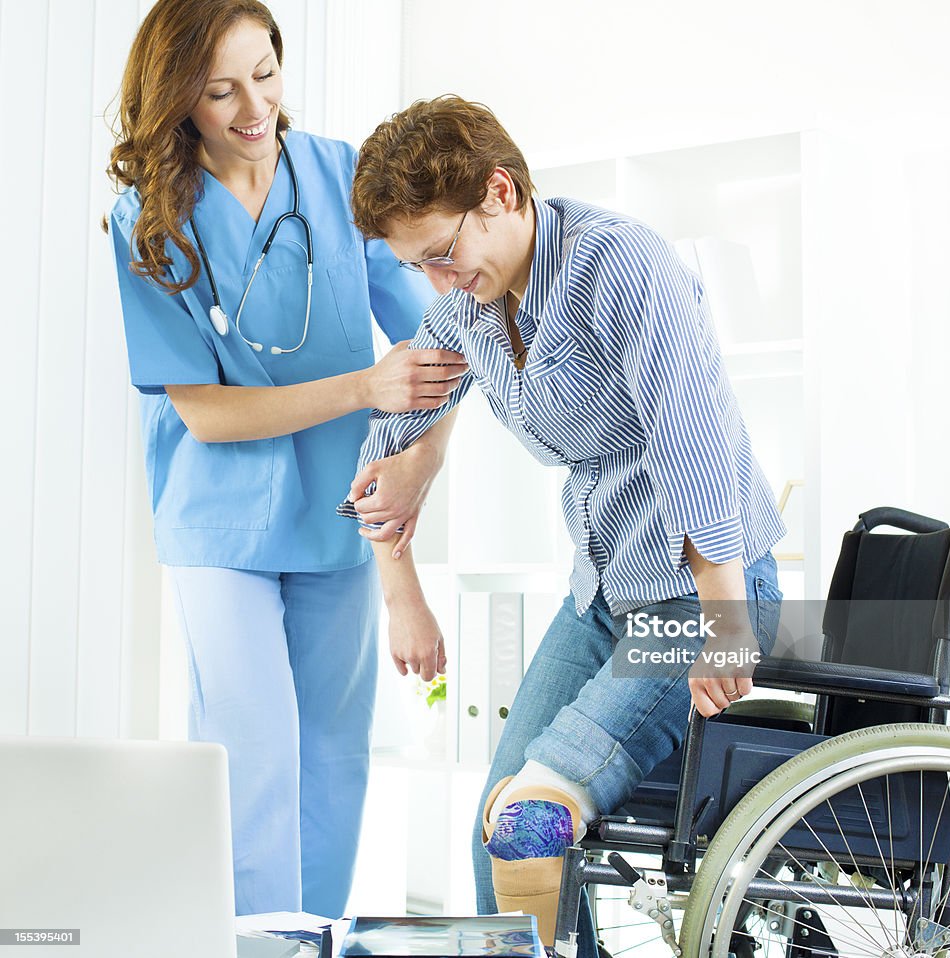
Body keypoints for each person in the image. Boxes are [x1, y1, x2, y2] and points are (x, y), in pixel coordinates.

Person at [339, 95, 785, 951]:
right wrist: (404, 598)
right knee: (491, 840)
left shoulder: (621, 268)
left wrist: (725, 618)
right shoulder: (465, 310)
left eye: (442, 253)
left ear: (499, 192)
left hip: (700, 593)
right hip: (601, 595)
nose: (436, 281)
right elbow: (386, 445)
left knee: (528, 823)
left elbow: (691, 436)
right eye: (415, 266)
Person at [106, 1, 465, 918]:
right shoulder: (148, 220)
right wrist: (359, 391)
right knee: (253, 751)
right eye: (220, 90)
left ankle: (319, 938)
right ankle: (257, 941)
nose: (253, 106)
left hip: (335, 514)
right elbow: (207, 415)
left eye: (265, 72)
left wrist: (419, 463)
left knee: (334, 754)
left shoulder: (341, 177)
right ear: (178, 98)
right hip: (218, 519)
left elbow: (442, 344)